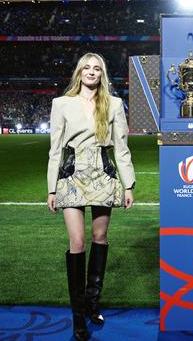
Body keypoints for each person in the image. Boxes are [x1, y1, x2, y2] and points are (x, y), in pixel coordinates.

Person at [46, 53, 135, 341]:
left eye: (97, 69)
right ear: (79, 72)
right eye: (87, 67)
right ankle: (77, 318)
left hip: (103, 175)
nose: (92, 72)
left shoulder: (114, 104)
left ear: (102, 74)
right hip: (71, 177)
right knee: (78, 242)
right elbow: (55, 149)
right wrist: (51, 188)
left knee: (100, 239)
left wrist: (129, 184)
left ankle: (91, 305)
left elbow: (121, 148)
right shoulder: (61, 104)